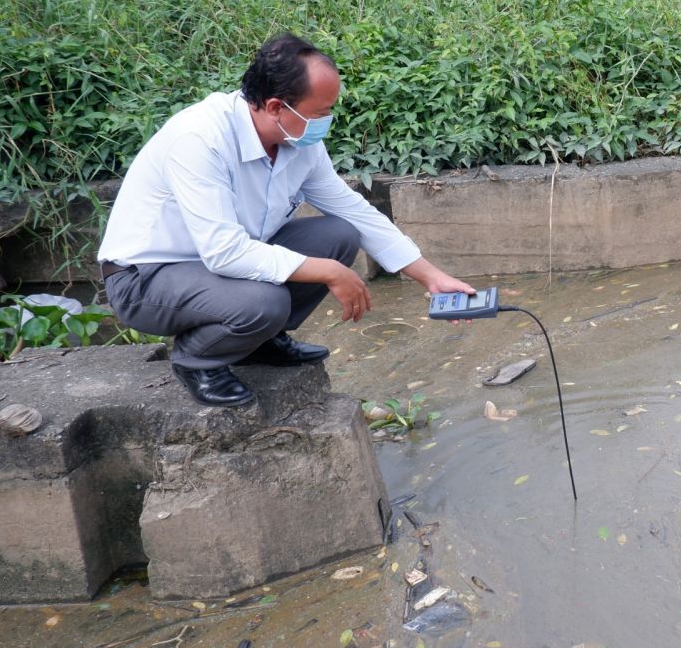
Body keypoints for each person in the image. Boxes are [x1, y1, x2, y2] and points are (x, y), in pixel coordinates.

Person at [97, 33, 475, 407]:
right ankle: (197, 360)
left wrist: (430, 275)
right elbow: (224, 253)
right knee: (265, 301)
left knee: (339, 234)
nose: (326, 122)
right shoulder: (200, 139)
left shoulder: (296, 140)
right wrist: (328, 272)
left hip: (219, 267)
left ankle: (258, 342)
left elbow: (351, 209)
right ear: (276, 106)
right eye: (319, 113)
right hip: (147, 278)